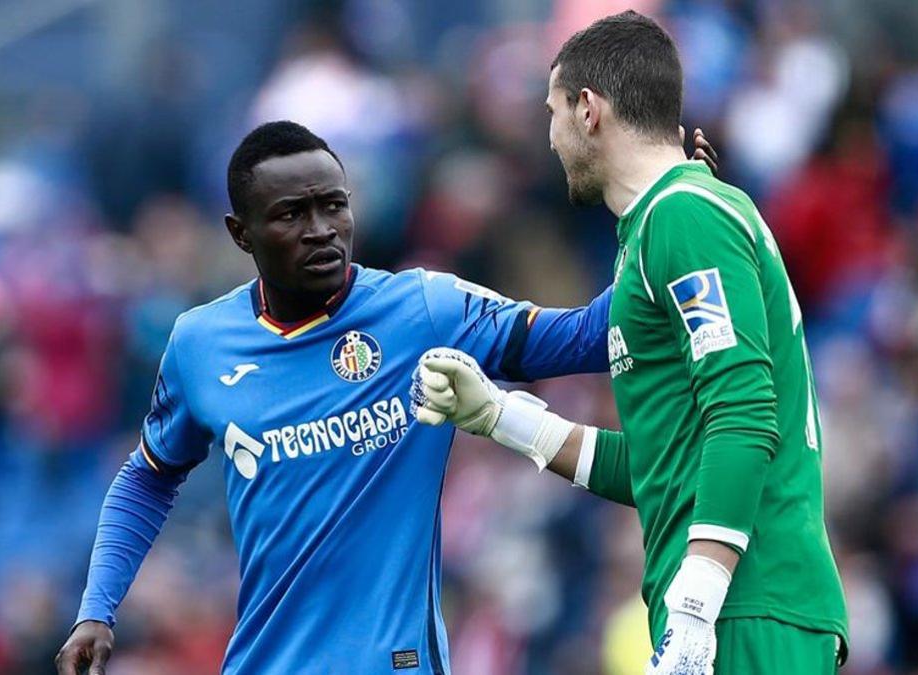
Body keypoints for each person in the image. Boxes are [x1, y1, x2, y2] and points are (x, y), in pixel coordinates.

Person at [55, 120, 717, 674]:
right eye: (291, 214)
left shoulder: (423, 308)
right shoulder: (200, 344)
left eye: (333, 204)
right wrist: (97, 607)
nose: (322, 229)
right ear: (241, 233)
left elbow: (583, 337)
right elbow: (147, 477)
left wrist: (668, 218)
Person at [411, 11, 848, 675]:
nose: (550, 137)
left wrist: (698, 605)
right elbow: (658, 466)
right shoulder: (661, 228)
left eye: (553, 111)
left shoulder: (684, 215)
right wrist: (500, 416)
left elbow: (743, 411)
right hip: (734, 603)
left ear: (589, 110)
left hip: (747, 603)